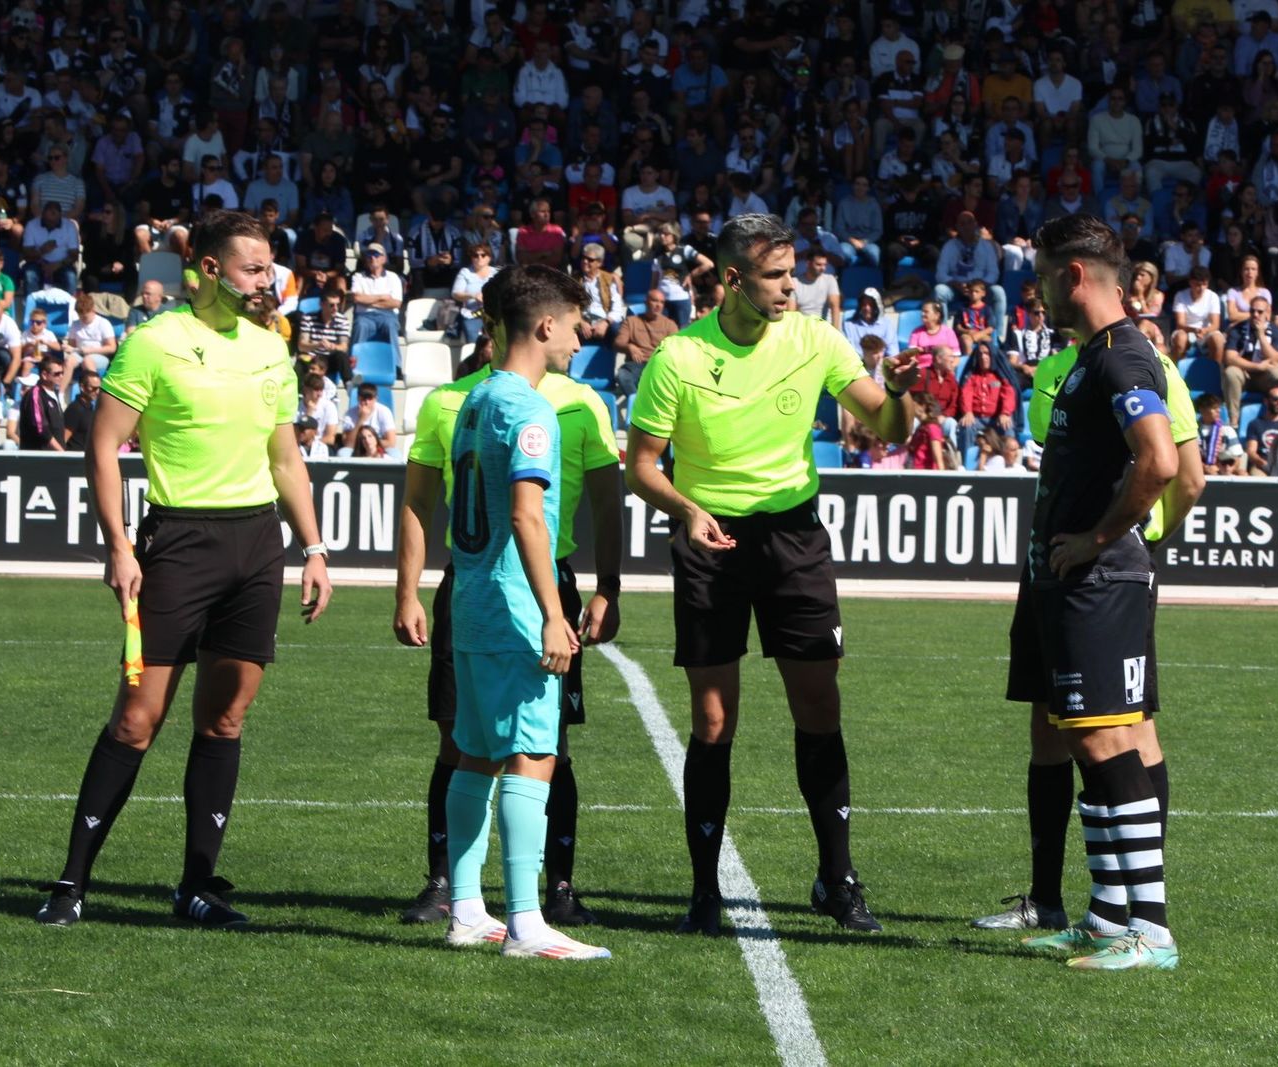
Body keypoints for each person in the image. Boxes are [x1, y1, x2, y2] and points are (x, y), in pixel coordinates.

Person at [35, 210, 333, 928]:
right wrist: (118, 545)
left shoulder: (270, 350)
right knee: (137, 719)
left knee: (226, 718)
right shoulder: (154, 342)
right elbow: (103, 447)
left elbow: (285, 457)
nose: (267, 280)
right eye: (253, 268)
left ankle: (198, 888)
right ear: (207, 269)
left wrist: (314, 547)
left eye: (270, 268)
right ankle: (72, 885)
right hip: (178, 543)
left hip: (257, 544)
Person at [625, 214, 920, 937]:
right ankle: (704, 890)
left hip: (795, 537)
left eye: (794, 273)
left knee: (819, 705)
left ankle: (838, 877)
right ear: (732, 280)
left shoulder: (817, 338)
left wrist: (904, 392)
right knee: (714, 719)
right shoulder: (680, 357)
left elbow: (891, 429)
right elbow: (640, 467)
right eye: (776, 276)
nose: (793, 288)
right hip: (710, 538)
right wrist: (687, 509)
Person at [393, 265, 623, 941]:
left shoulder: (472, 401)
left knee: (474, 751)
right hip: (515, 603)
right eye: (577, 326)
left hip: (470, 598)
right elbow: (528, 518)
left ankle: (467, 909)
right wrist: (554, 612)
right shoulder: (529, 408)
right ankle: (527, 920)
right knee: (533, 751)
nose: (581, 341)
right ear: (546, 325)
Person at [1004, 214, 1183, 970]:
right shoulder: (1092, 355)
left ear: (1074, 275)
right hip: (1086, 582)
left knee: (1108, 741)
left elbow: (1162, 462)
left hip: (1100, 582)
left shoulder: (1122, 358)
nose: (1036, 289)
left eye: (1043, 274)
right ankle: (1112, 915)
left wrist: (1099, 538)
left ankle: (1152, 928)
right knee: (1106, 735)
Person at [1221, 296, 1278, 428]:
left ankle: (1275, 418)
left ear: (1268, 312)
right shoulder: (1238, 329)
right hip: (1244, 375)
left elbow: (1276, 358)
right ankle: (1234, 420)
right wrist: (1257, 366)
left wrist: (1261, 335)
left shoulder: (1276, 331)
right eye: (1252, 311)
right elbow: (1229, 357)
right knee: (1231, 372)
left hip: (1264, 377)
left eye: (1260, 312)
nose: (1255, 315)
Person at [614, 288, 677, 397]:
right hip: (636, 365)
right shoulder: (631, 321)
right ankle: (637, 402)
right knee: (623, 375)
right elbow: (617, 343)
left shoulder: (670, 325)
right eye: (655, 301)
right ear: (646, 302)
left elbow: (677, 350)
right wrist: (629, 347)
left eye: (661, 302)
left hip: (658, 365)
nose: (658, 305)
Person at [15, 359, 67, 451]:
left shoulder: (54, 394)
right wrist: (61, 451)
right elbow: (41, 427)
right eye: (57, 374)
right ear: (44, 375)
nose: (61, 376)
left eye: (62, 373)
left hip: (55, 456)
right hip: (39, 456)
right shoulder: (35, 394)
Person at [63, 368, 102, 451]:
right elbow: (63, 439)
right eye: (93, 388)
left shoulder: (90, 408)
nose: (97, 392)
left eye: (99, 388)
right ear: (82, 387)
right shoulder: (75, 409)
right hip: (74, 459)